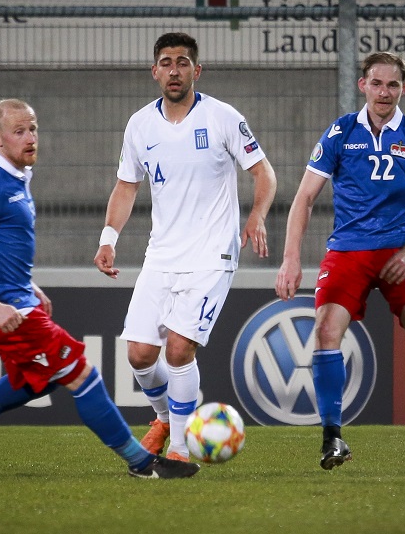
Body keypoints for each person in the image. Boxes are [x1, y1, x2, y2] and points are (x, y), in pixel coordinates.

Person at [0, 98, 200, 480]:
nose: (30, 138)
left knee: (39, 379)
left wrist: (29, 286)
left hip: (20, 302)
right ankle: (142, 462)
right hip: (8, 313)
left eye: (32, 128)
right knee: (82, 372)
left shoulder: (16, 177)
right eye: (19, 132)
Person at [275, 52, 405, 472]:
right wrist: (291, 258)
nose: (384, 92)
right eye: (376, 83)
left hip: (400, 249)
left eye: (393, 85)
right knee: (326, 332)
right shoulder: (341, 132)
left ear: (404, 89)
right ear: (363, 85)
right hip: (348, 249)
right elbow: (304, 198)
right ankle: (333, 439)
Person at [93, 33, 277, 461]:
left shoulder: (223, 117)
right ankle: (163, 417)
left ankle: (178, 449)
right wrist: (108, 239)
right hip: (161, 254)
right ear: (154, 71)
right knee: (139, 355)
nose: (174, 70)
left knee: (178, 348)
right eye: (166, 62)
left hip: (212, 254)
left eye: (182, 62)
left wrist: (256, 216)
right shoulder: (140, 125)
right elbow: (126, 185)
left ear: (197, 70)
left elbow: (264, 173)